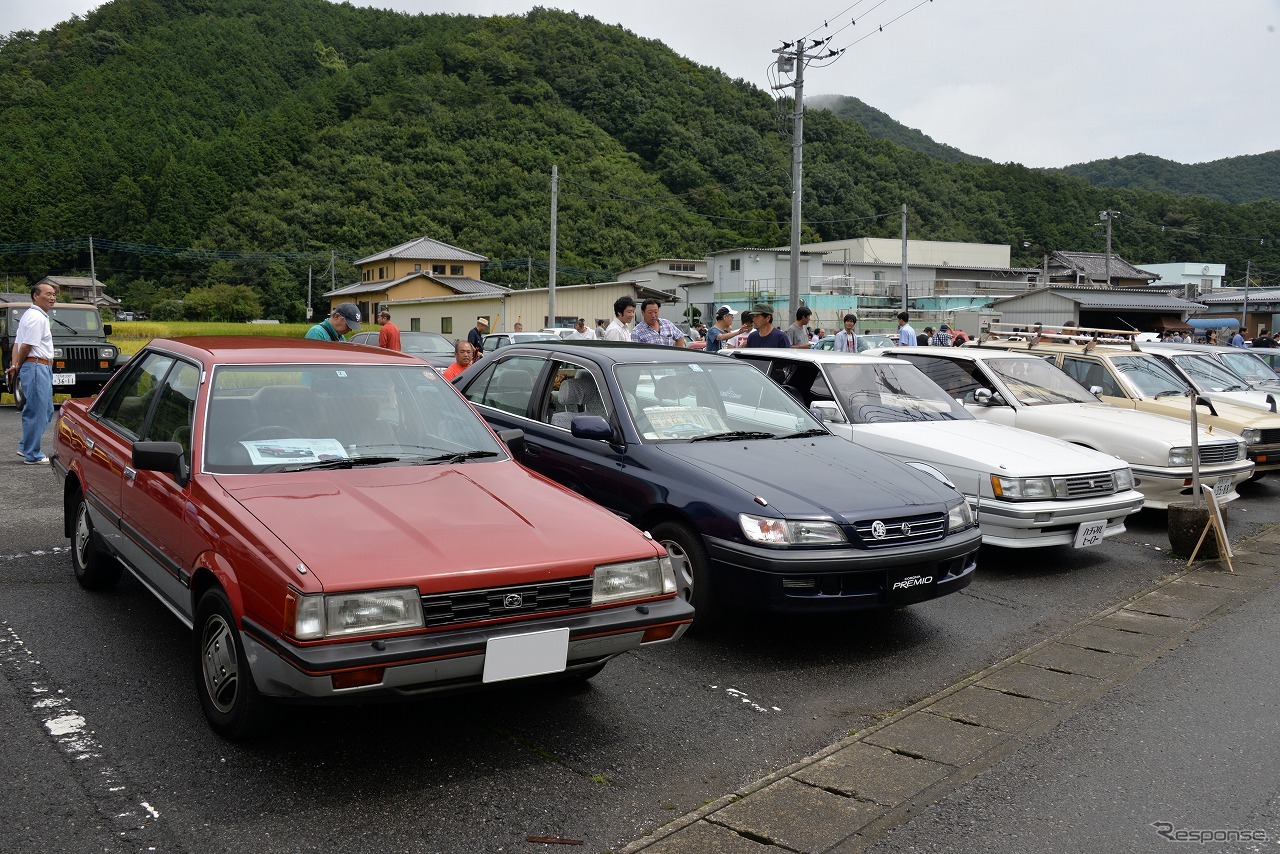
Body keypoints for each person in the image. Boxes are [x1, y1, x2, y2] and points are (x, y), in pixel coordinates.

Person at [8, 283, 57, 464]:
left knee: (46, 410)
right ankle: (32, 454)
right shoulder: (37, 318)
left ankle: (25, 446)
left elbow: (17, 344)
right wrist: (18, 365)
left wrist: (15, 365)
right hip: (36, 366)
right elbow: (26, 346)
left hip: (37, 366)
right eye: (48, 294)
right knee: (37, 410)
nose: (52, 298)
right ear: (35, 296)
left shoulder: (29, 315)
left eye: (54, 295)